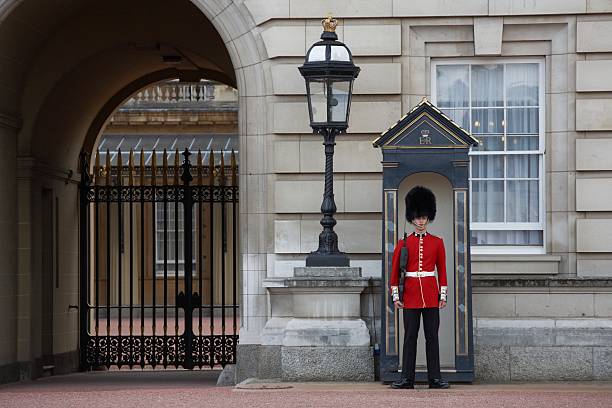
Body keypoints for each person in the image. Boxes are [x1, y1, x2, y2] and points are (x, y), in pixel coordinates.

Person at [389, 186, 450, 389]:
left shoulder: (437, 242)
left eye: (424, 217)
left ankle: (435, 378)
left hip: (431, 295)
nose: (421, 221)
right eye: (417, 217)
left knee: (432, 337)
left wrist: (443, 295)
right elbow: (395, 271)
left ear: (428, 217)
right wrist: (396, 295)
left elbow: (442, 270)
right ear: (412, 219)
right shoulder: (403, 243)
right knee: (409, 338)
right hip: (410, 295)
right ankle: (407, 378)